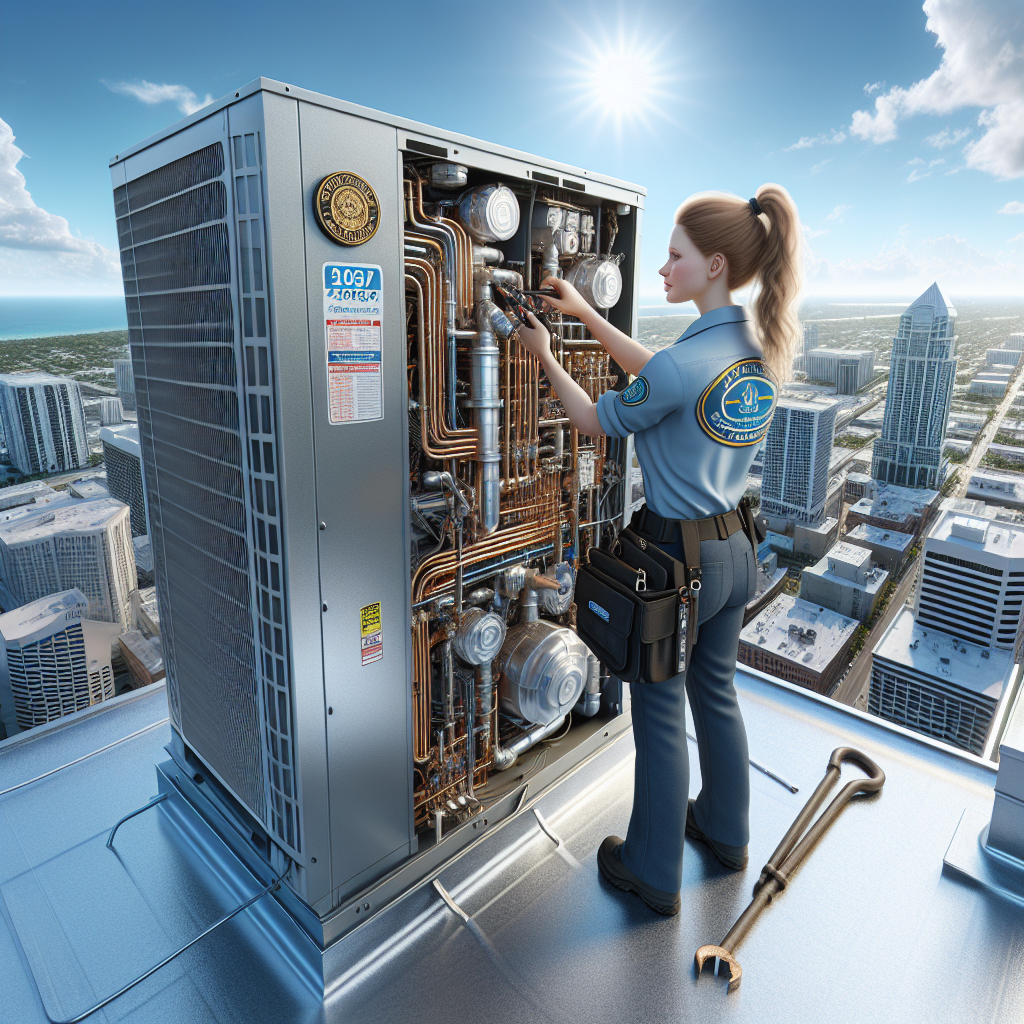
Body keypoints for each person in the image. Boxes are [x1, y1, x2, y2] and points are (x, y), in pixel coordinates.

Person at [514, 185, 802, 915]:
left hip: (679, 564)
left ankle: (651, 870)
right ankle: (727, 833)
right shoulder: (754, 348)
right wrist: (585, 315)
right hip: (739, 548)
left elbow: (590, 416)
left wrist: (544, 350)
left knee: (661, 712)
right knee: (718, 695)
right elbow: (658, 375)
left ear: (713, 264)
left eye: (674, 258)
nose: (664, 270)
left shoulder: (683, 365)